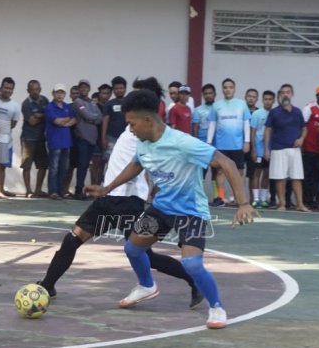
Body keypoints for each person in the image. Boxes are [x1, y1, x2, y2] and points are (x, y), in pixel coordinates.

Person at [85, 78, 257, 329]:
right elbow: (136, 164)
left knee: (192, 264)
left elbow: (226, 163)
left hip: (190, 212)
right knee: (132, 249)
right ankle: (146, 285)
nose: (130, 129)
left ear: (148, 120)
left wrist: (243, 203)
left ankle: (217, 307)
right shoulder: (144, 143)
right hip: (162, 208)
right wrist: (107, 187)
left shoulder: (182, 142)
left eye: (132, 123)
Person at [38, 79, 203, 308]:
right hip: (108, 199)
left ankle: (194, 280)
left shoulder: (150, 134)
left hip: (130, 202)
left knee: (147, 255)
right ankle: (48, 285)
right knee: (72, 240)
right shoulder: (132, 125)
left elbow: (155, 164)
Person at [264, 84, 308, 212]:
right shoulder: (274, 112)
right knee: (280, 178)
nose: (285, 94)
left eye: (288, 92)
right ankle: (282, 204)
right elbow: (268, 130)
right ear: (279, 95)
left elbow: (304, 128)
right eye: (283, 92)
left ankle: (300, 204)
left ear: (292, 94)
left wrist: (301, 139)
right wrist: (267, 149)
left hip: (294, 150)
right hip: (278, 149)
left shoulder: (297, 111)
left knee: (297, 177)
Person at [208, 78, 251, 206]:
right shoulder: (216, 106)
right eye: (225, 87)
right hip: (221, 145)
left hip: (237, 145)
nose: (228, 89)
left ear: (234, 89)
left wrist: (247, 141)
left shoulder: (241, 104)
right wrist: (209, 142)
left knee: (239, 172)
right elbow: (212, 124)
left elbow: (246, 124)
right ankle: (220, 198)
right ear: (222, 89)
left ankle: (239, 198)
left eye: (230, 87)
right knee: (220, 171)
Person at [71, 79, 102, 199]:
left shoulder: (92, 103)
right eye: (81, 87)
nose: (83, 89)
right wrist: (91, 117)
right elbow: (87, 115)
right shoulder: (78, 102)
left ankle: (82, 190)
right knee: (82, 165)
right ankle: (78, 190)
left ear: (89, 89)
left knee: (87, 166)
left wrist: (91, 118)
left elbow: (100, 118)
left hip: (92, 140)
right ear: (79, 89)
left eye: (86, 87)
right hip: (82, 138)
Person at [45, 83, 76, 200]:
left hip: (67, 142)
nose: (60, 95)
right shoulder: (49, 107)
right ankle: (53, 191)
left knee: (64, 168)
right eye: (58, 92)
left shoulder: (67, 106)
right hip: (55, 142)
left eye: (62, 92)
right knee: (54, 168)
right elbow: (56, 121)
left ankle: (60, 191)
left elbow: (74, 120)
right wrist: (66, 121)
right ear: (53, 93)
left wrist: (64, 122)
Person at [301, 86, 319, 210]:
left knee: (318, 176)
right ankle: (306, 201)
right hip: (308, 148)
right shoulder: (309, 108)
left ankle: (316, 201)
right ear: (316, 96)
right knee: (308, 176)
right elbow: (302, 126)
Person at [20, 79, 49, 197]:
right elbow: (31, 121)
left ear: (40, 89)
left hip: (42, 138)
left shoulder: (45, 100)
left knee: (43, 165)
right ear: (28, 90)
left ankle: (38, 190)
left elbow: (49, 114)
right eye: (32, 89)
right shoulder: (26, 104)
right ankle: (28, 191)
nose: (35, 92)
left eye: (37, 89)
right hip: (28, 139)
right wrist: (44, 115)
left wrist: (40, 115)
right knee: (27, 165)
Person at [0, 77, 20, 198]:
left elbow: (13, 124)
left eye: (10, 88)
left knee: (1, 166)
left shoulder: (15, 106)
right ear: (1, 88)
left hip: (4, 140)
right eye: (6, 87)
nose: (8, 90)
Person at [249, 90, 274, 208]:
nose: (268, 102)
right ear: (262, 100)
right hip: (258, 150)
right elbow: (252, 132)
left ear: (273, 101)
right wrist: (253, 149)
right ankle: (256, 199)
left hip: (270, 150)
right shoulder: (257, 114)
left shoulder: (275, 114)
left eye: (270, 99)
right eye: (266, 99)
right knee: (257, 173)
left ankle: (263, 199)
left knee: (266, 174)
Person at [101, 76, 127, 162]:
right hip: (112, 138)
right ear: (113, 90)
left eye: (121, 88)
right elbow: (105, 121)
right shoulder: (109, 104)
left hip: (126, 138)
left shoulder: (130, 102)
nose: (119, 90)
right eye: (116, 88)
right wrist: (103, 138)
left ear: (125, 88)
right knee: (111, 161)